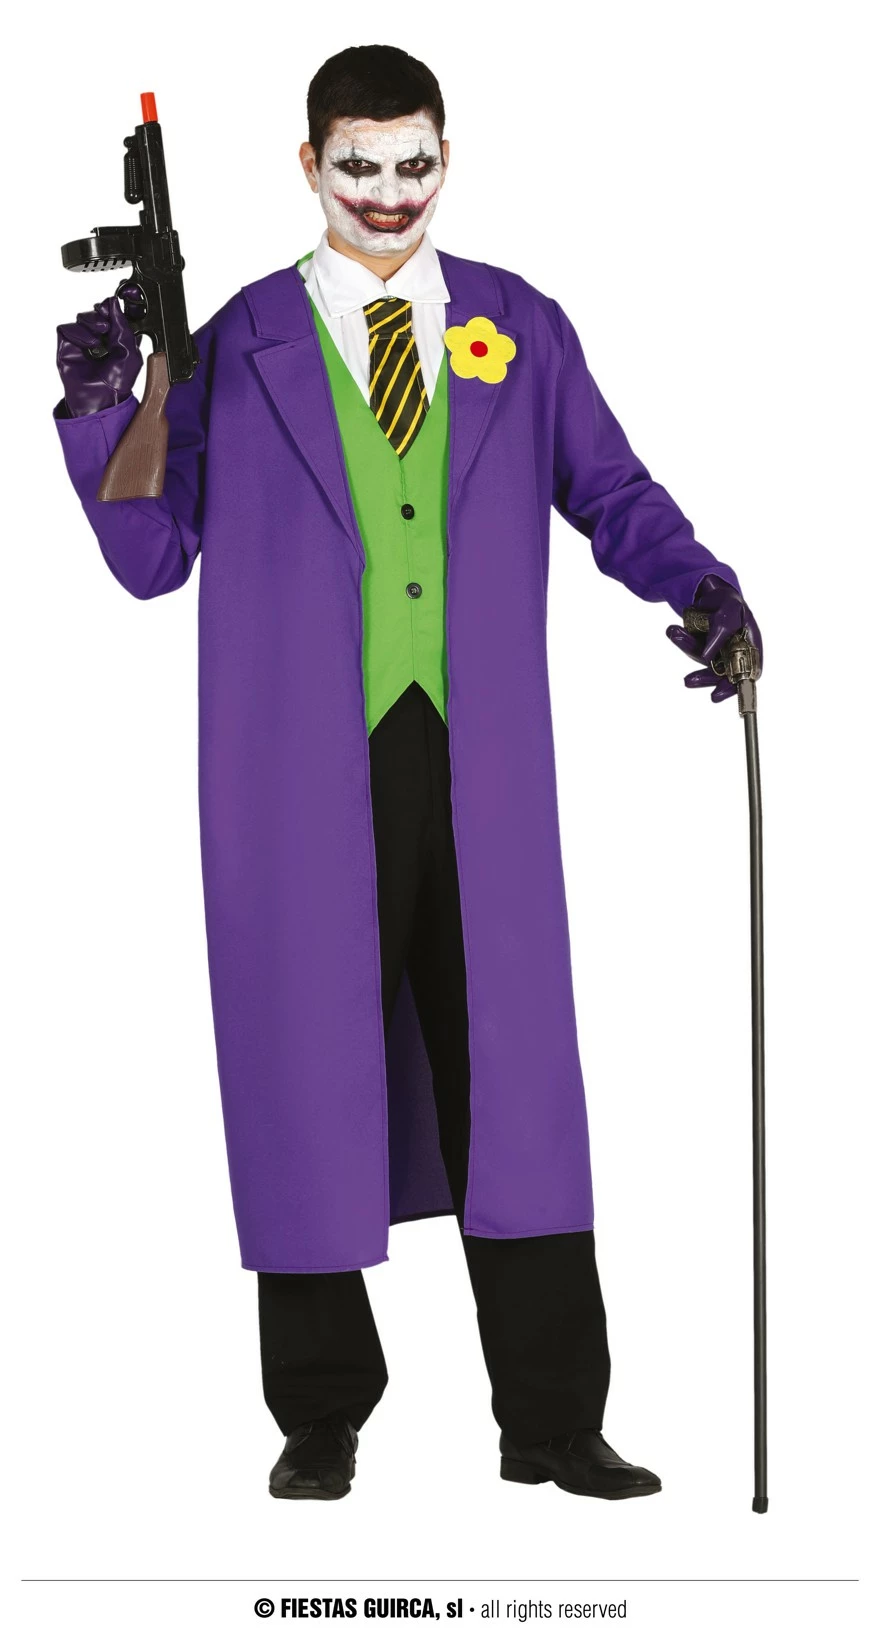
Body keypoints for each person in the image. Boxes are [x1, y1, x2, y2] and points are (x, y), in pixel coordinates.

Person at [55, 44, 761, 1502]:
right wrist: (109, 410)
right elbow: (149, 556)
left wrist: (699, 585)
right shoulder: (237, 344)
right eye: (359, 165)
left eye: (414, 163)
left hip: (480, 761)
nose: (388, 193)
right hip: (294, 771)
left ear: (449, 158)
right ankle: (321, 1413)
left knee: (518, 1083)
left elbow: (609, 488)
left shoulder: (517, 325)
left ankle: (552, 1418)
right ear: (309, 165)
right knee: (303, 1074)